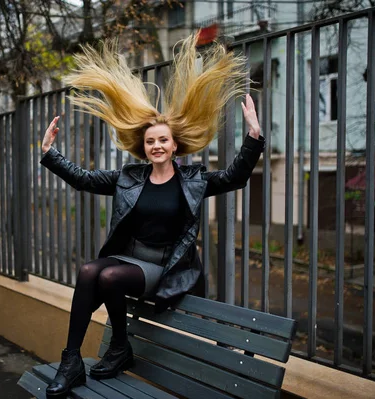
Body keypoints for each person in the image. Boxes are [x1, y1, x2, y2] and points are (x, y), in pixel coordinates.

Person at [39, 33, 264, 398]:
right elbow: (83, 179)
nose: (156, 145)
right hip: (131, 258)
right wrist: (51, 154)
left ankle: (119, 347)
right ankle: (71, 361)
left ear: (175, 145)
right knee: (88, 271)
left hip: (164, 266)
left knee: (109, 275)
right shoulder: (129, 177)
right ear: (143, 148)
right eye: (150, 142)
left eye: (163, 140)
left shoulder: (193, 180)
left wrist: (253, 136)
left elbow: (235, 177)